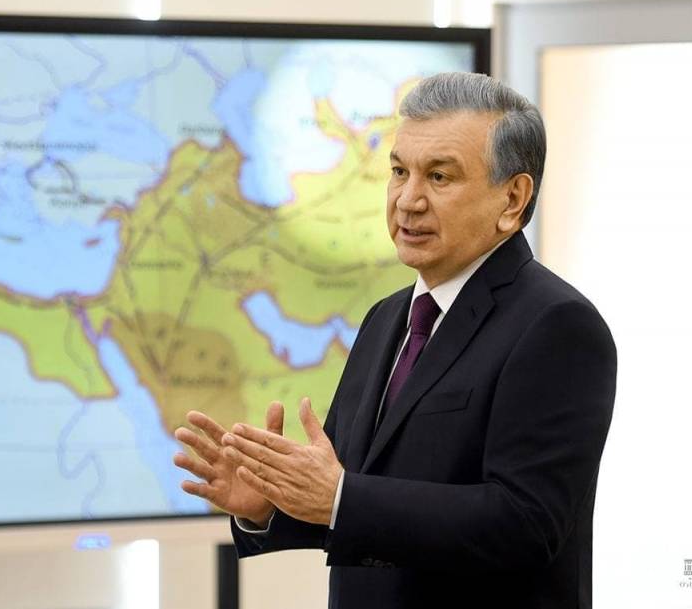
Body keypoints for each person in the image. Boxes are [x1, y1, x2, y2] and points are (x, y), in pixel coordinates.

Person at [173, 72, 617, 608]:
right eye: (400, 171)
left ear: (512, 199)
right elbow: (352, 499)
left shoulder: (558, 325)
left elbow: (525, 523)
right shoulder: (386, 319)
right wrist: (270, 505)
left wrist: (341, 498)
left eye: (439, 177)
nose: (408, 200)